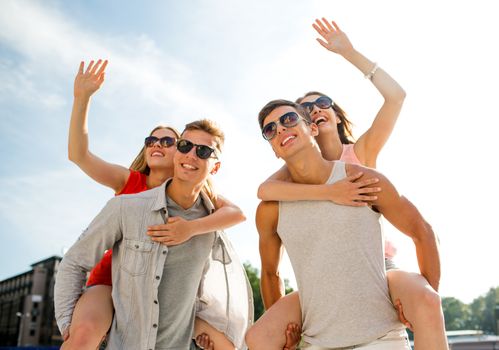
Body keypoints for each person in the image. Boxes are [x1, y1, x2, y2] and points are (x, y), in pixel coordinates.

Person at [253, 18, 447, 350]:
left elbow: (396, 97)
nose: (314, 110)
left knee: (426, 302)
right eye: (272, 129)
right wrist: (329, 192)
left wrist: (349, 52)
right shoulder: (285, 183)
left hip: (376, 265)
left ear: (319, 124)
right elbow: (263, 193)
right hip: (319, 277)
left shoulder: (361, 159)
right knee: (257, 337)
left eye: (320, 104)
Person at [63, 60, 249, 349]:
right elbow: (79, 155)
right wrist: (82, 99)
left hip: (165, 298)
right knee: (84, 332)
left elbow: (236, 213)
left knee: (227, 343)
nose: (157, 145)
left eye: (167, 140)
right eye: (151, 139)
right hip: (111, 282)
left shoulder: (199, 195)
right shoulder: (129, 184)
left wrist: (190, 228)